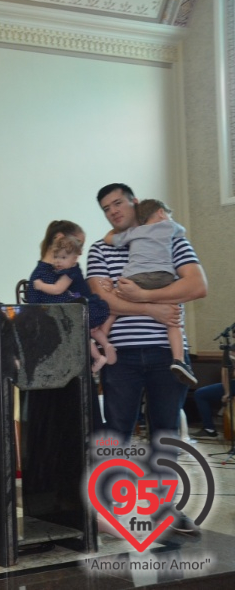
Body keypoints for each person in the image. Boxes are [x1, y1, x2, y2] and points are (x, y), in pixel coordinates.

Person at [86, 183, 207, 535]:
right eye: (106, 209)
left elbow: (197, 286)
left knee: (165, 432)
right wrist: (154, 308)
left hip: (166, 354)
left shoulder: (171, 237)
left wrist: (140, 294)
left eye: (118, 203)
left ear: (134, 202)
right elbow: (104, 303)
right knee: (116, 432)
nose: (113, 212)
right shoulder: (100, 250)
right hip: (120, 355)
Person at [103, 199, 195, 385]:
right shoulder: (170, 227)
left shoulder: (135, 232)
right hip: (163, 277)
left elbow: (110, 240)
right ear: (161, 213)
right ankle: (179, 360)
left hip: (135, 277)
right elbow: (182, 231)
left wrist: (113, 232)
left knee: (113, 302)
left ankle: (102, 338)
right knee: (174, 320)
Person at [28, 231, 115, 373]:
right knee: (93, 331)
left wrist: (40, 285)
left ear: (74, 259)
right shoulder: (71, 270)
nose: (58, 261)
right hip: (88, 305)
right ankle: (106, 345)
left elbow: (57, 289)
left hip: (84, 308)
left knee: (82, 334)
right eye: (56, 257)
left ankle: (98, 357)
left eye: (63, 257)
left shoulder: (70, 272)